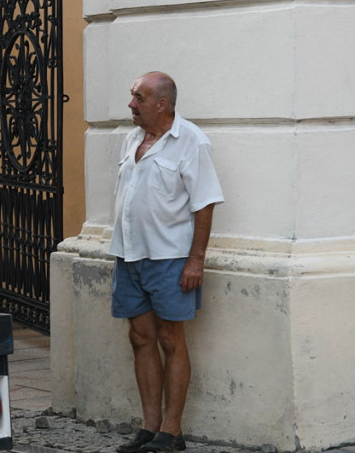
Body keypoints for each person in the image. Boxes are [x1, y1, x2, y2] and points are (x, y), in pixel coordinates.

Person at [110, 72, 224, 453]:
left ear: (162, 103)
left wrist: (196, 260)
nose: (131, 104)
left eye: (138, 97)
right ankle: (150, 427)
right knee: (140, 337)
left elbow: (205, 202)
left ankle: (172, 432)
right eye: (132, 96)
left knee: (170, 340)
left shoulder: (191, 141)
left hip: (170, 258)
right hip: (129, 255)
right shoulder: (132, 138)